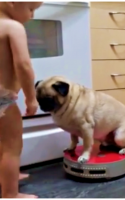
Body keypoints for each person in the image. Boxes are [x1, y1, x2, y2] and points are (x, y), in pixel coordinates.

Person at [0, 2, 42, 198]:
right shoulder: (13, 27)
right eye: (30, 9)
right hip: (3, 99)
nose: (32, 16)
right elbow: (23, 66)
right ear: (11, 3)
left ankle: (9, 175)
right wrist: (31, 98)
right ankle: (10, 194)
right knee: (11, 146)